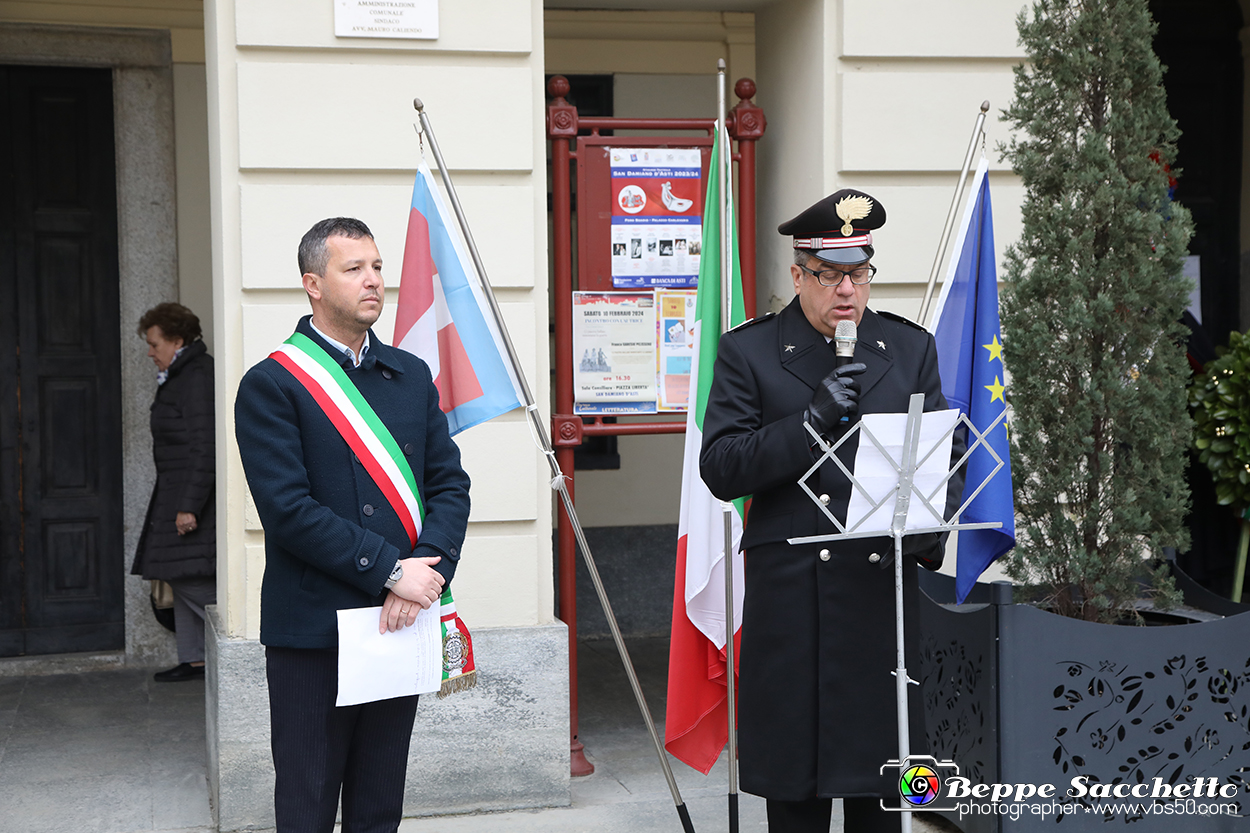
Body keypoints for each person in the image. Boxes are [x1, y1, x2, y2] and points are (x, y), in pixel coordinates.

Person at [700, 190, 962, 833]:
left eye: (860, 272)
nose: (847, 290)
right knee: (797, 792)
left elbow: (942, 455)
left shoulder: (908, 348)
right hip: (795, 600)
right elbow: (722, 467)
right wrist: (810, 422)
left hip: (881, 595)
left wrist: (929, 529)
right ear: (798, 275)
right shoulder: (751, 351)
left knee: (887, 792)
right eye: (830, 274)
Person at [234, 217, 471, 833]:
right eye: (354, 269)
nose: (373, 281)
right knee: (308, 805)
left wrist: (428, 569)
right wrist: (392, 571)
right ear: (313, 284)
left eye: (377, 267)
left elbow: (449, 484)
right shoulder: (272, 384)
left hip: (400, 621)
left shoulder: (409, 374)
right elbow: (288, 511)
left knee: (378, 805)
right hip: (316, 632)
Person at [132, 302, 217, 682]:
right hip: (175, 490)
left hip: (190, 496)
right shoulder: (182, 374)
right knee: (179, 570)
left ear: (177, 340)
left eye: (154, 344)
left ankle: (234, 637)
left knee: (187, 575)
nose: (150, 352)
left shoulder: (196, 376)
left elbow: (205, 445)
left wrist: (189, 506)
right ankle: (195, 659)